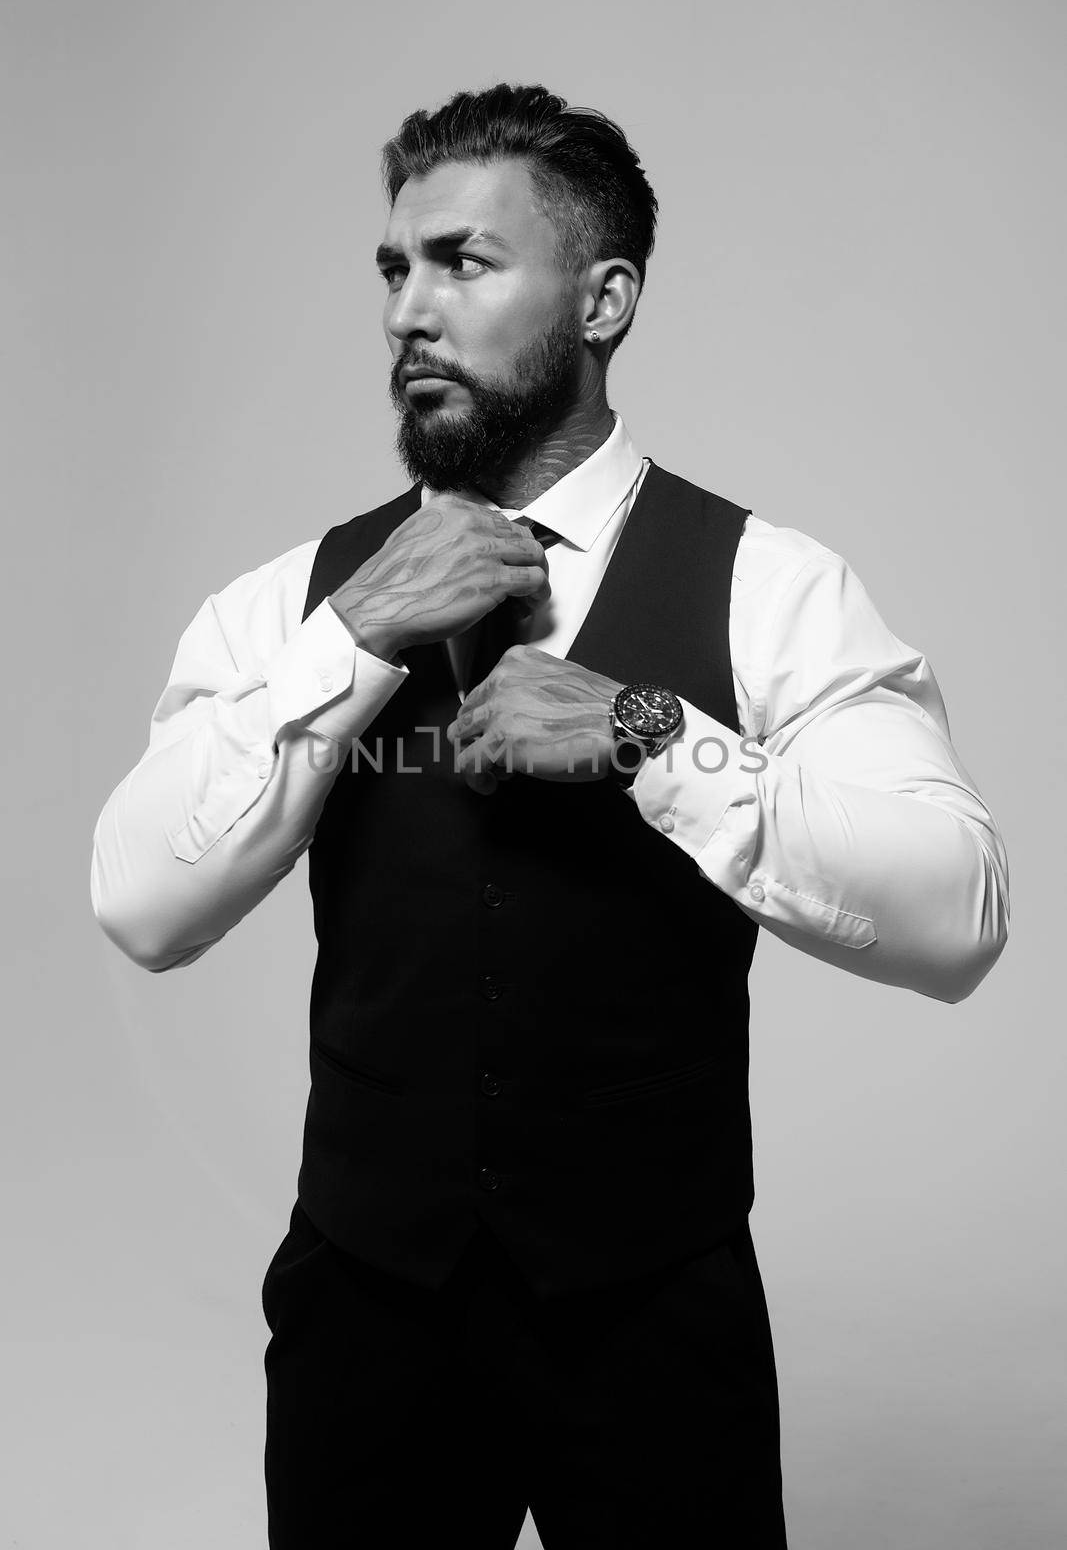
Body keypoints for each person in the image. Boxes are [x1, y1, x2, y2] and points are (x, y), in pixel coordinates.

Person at [91, 83, 1009, 1548]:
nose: (409, 310)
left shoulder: (770, 586)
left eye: (463, 262)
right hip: (367, 1312)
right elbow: (140, 904)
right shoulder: (293, 598)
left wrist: (654, 735)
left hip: (653, 1313)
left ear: (605, 298)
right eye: (395, 269)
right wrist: (354, 639)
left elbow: (959, 913)